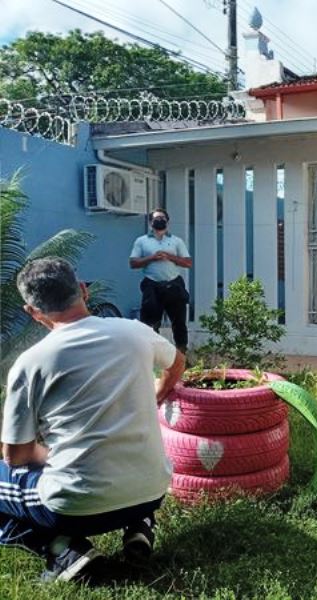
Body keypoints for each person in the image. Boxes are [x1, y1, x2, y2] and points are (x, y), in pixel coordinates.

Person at [1, 258, 184, 581]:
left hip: (77, 505)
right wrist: (158, 391)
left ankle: (66, 552)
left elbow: (15, 455)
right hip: (151, 489)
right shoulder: (135, 332)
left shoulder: (31, 364)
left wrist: (48, 455)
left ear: (32, 312)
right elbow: (177, 362)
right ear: (83, 290)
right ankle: (140, 527)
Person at [130, 208, 193, 354]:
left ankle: (181, 356)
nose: (160, 221)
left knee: (179, 324)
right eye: (157, 219)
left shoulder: (176, 241)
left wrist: (170, 257)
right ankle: (155, 355)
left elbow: (188, 263)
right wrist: (152, 257)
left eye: (163, 218)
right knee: (150, 324)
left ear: (168, 221)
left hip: (174, 284)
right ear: (151, 222)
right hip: (152, 285)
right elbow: (133, 263)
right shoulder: (142, 241)